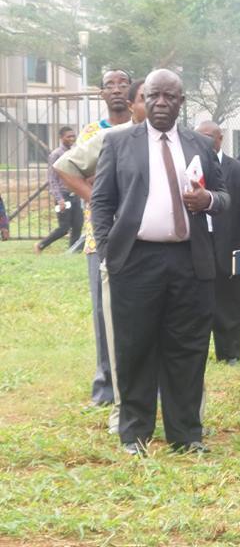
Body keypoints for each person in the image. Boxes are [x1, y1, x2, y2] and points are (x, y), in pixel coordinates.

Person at [91, 68, 229, 456]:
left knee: (187, 348)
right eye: (154, 96)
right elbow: (101, 202)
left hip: (190, 260)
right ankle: (134, 433)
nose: (161, 103)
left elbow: (225, 196)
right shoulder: (119, 143)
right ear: (143, 99)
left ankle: (185, 434)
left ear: (182, 102)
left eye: (170, 96)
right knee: (135, 346)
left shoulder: (200, 144)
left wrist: (210, 202)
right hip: (135, 261)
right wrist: (108, 250)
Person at [53, 69, 132, 411]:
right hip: (99, 237)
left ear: (132, 92)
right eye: (109, 85)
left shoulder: (141, 129)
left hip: (142, 236)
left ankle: (141, 379)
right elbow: (72, 170)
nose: (116, 90)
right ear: (101, 94)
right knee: (104, 313)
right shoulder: (91, 133)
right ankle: (106, 386)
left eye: (122, 84)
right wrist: (100, 198)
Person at [195, 121, 240, 365]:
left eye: (209, 137)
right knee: (197, 300)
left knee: (230, 299)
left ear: (220, 139)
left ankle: (230, 352)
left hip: (232, 245)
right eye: (199, 137)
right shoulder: (190, 169)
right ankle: (197, 353)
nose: (204, 142)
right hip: (198, 243)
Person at [35, 127, 82, 253]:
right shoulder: (56, 154)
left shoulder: (75, 152)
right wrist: (59, 199)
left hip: (75, 194)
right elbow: (52, 179)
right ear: (61, 138)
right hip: (63, 196)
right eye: (68, 136)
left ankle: (73, 252)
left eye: (73, 136)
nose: (72, 138)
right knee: (64, 227)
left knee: (78, 225)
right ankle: (41, 245)